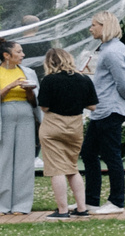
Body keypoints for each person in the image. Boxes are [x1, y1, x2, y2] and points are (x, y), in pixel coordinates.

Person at [82, 11, 125, 214]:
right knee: (88, 152)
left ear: (105, 26)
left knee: (111, 155)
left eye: (94, 25)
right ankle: (91, 200)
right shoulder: (108, 49)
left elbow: (124, 84)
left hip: (110, 109)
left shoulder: (112, 52)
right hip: (102, 109)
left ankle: (116, 201)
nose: (90, 28)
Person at [36, 45, 96, 218]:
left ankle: (62, 210)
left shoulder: (49, 80)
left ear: (49, 62)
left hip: (54, 125)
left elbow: (44, 107)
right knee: (72, 168)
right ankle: (82, 208)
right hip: (75, 126)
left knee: (56, 169)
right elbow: (92, 106)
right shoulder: (84, 79)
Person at [0, 40, 34, 217]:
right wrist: (9, 87)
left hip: (26, 114)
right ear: (7, 55)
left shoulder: (28, 72)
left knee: (24, 159)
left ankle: (22, 204)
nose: (23, 55)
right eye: (19, 52)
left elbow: (35, 102)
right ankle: (2, 205)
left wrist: (29, 91)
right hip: (4, 113)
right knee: (4, 159)